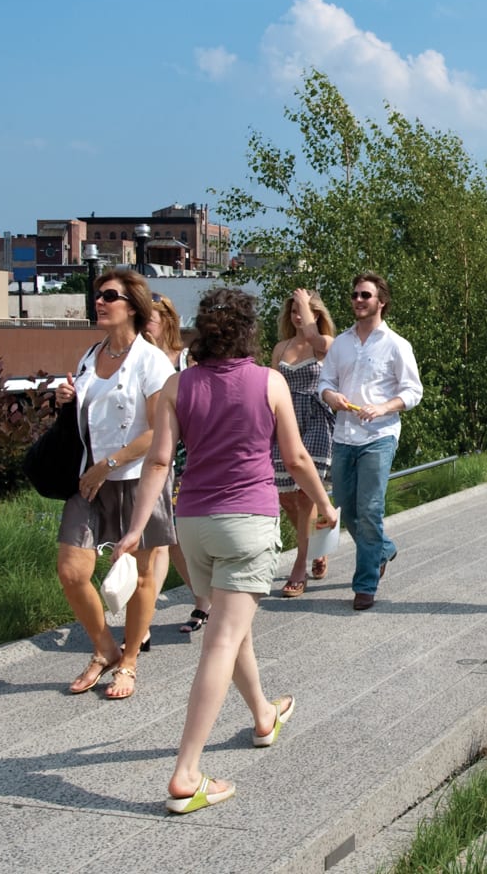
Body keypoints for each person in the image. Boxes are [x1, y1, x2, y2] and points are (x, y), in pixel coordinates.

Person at [113, 287, 335, 815]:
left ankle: (263, 714)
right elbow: (297, 456)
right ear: (247, 332)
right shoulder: (269, 381)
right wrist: (325, 504)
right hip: (248, 522)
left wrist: (135, 526)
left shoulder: (177, 385)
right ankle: (186, 774)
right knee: (221, 641)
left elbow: (160, 463)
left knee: (232, 632)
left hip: (194, 525)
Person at [53, 269, 176, 699]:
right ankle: (105, 647)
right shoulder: (90, 354)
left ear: (132, 306)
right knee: (72, 571)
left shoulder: (151, 360)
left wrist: (110, 463)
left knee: (142, 575)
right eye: (98, 295)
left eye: (110, 296)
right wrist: (68, 398)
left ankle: (129, 661)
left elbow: (159, 432)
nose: (100, 302)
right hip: (89, 477)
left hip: (135, 477)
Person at [317, 271, 423, 611]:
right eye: (355, 295)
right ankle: (383, 549)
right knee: (348, 506)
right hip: (345, 435)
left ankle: (365, 585)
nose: (358, 300)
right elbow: (324, 382)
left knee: (371, 508)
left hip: (379, 436)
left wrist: (383, 408)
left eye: (365, 295)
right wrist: (330, 395)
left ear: (381, 301)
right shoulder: (342, 343)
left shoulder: (396, 345)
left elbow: (413, 392)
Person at [141, 294, 206, 636]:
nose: (143, 327)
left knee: (173, 537)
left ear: (166, 320)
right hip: (144, 456)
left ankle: (197, 600)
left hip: (182, 456)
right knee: (165, 538)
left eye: (148, 320)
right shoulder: (133, 359)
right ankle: (198, 599)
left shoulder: (184, 360)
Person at [271, 288, 339, 598]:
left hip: (314, 419)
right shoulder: (281, 347)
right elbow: (272, 385)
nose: (298, 316)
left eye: (304, 311)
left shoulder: (325, 346)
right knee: (287, 497)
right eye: (294, 311)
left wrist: (306, 305)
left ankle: (300, 566)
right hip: (285, 421)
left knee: (305, 494)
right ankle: (316, 544)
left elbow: (319, 342)